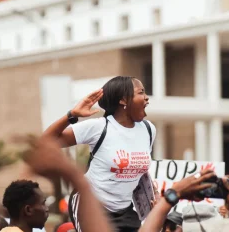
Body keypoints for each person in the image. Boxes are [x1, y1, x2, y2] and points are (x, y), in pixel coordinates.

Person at [42, 76, 155, 231]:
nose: (146, 98)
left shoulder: (148, 130)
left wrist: (152, 194)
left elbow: (140, 171)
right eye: (141, 92)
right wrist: (72, 115)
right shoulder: (100, 128)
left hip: (124, 211)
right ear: (123, 100)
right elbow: (46, 141)